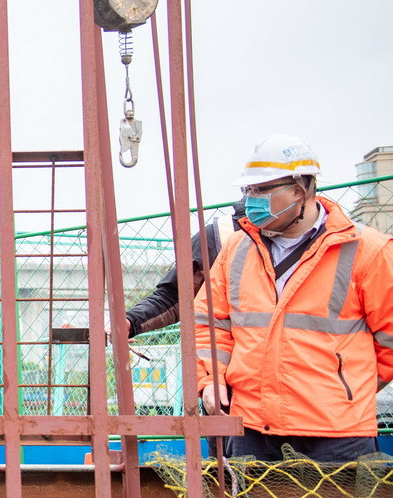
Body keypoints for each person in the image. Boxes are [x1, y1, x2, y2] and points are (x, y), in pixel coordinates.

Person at [195, 134, 393, 462]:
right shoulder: (237, 248)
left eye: (261, 190)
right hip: (253, 428)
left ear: (300, 190)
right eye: (248, 191)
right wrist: (211, 380)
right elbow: (210, 323)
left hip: (338, 434)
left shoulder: (368, 251)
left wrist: (345, 392)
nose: (251, 200)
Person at [125, 200, 244, 337]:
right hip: (231, 353)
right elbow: (176, 295)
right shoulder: (220, 235)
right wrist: (131, 321)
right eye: (255, 189)